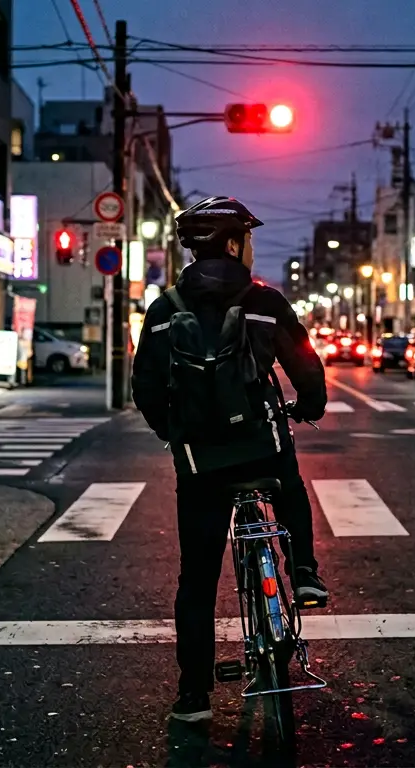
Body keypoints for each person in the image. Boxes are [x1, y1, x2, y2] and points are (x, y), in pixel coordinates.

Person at [131, 195, 329, 723]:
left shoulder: (165, 308)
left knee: (196, 581)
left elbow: (145, 386)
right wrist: (308, 406)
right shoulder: (265, 300)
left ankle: (194, 698)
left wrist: (175, 436)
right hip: (260, 446)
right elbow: (304, 365)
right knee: (287, 480)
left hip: (200, 464)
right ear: (235, 242)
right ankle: (305, 572)